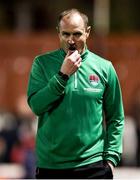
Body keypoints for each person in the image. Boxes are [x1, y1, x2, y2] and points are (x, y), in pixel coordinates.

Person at [27, 8, 124, 179]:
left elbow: (116, 117)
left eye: (77, 34)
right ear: (58, 33)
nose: (71, 40)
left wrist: (111, 159)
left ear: (87, 32)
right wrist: (62, 75)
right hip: (51, 166)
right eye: (65, 34)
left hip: (93, 165)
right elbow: (36, 106)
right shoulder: (42, 64)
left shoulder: (105, 67)